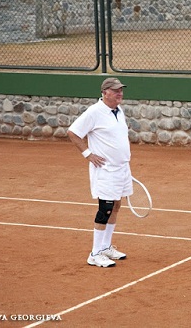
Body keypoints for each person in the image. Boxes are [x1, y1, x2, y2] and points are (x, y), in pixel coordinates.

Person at [67, 77, 132, 268]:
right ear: (105, 93)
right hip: (105, 170)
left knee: (117, 205)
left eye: (121, 90)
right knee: (105, 209)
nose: (120, 93)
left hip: (121, 168)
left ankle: (105, 247)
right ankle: (94, 254)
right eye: (115, 90)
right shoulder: (94, 112)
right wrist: (88, 154)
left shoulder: (118, 110)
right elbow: (73, 132)